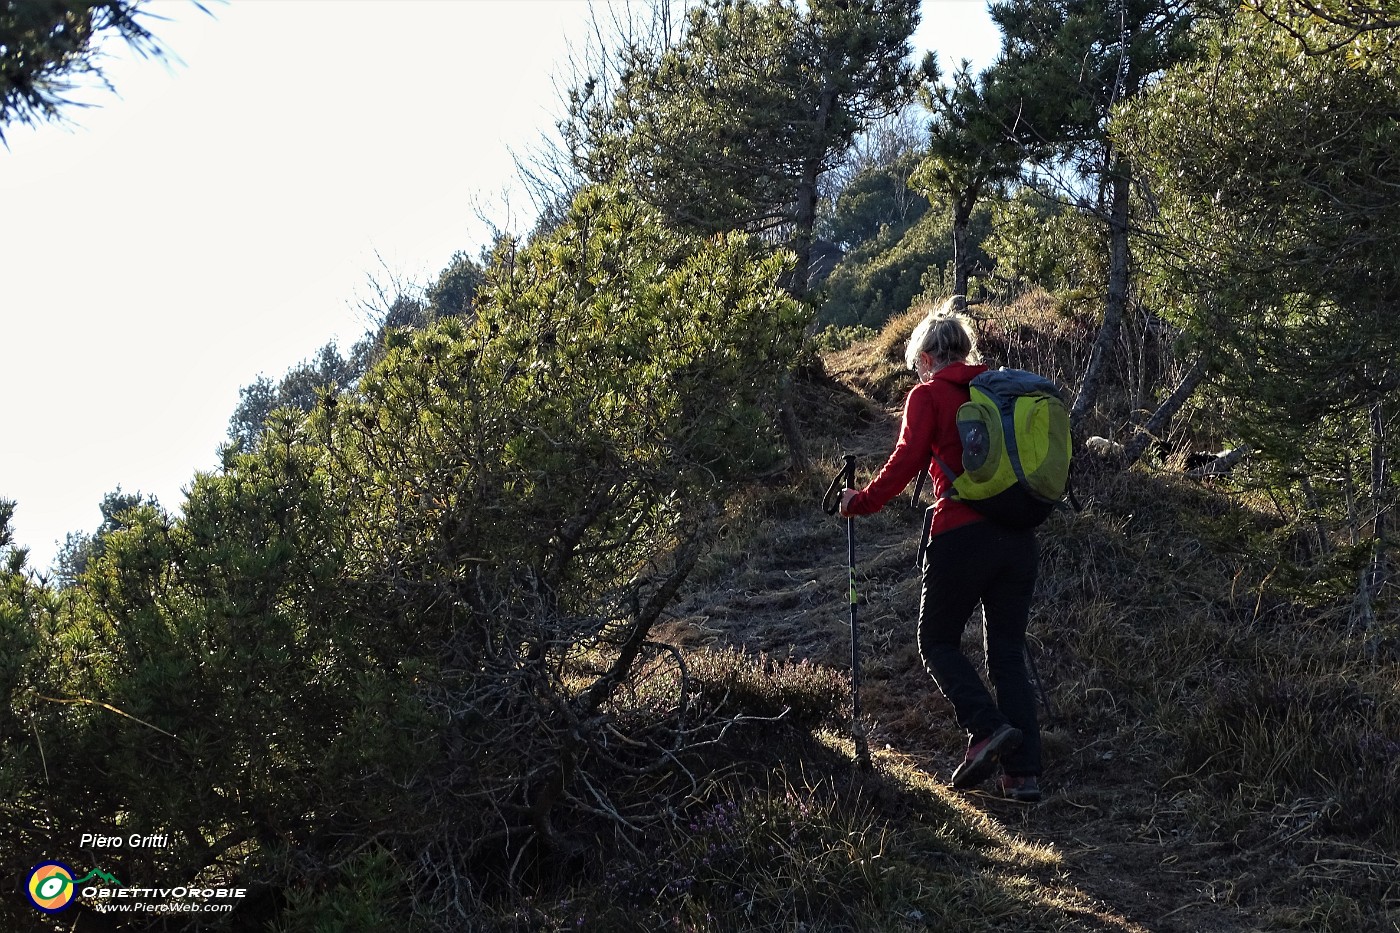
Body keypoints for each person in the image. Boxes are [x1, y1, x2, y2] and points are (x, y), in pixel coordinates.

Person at [840, 301, 1042, 802]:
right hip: (1018, 537)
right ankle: (1023, 776)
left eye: (918, 360)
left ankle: (986, 728)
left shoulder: (928, 396)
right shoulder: (1002, 391)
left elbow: (906, 459)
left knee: (937, 643)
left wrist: (860, 502)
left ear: (927, 355)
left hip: (961, 534)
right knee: (1008, 656)